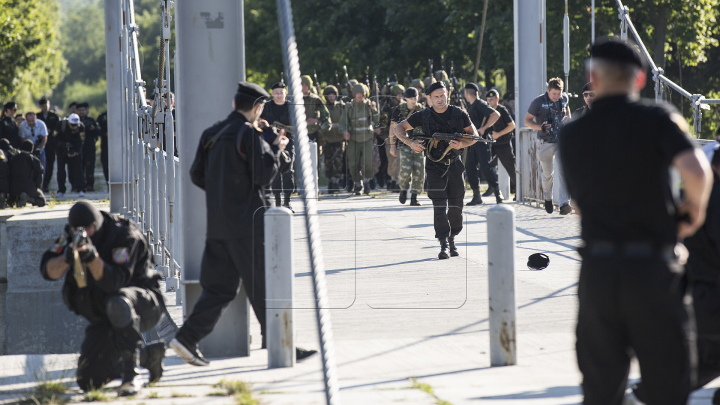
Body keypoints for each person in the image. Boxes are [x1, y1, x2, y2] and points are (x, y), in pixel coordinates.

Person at [559, 37, 713, 405]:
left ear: (592, 78)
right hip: (652, 273)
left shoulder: (571, 133)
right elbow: (696, 171)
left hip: (597, 273)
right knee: (667, 388)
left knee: (601, 390)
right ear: (640, 79)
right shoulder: (657, 118)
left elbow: (579, 204)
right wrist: (692, 214)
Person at [170, 82, 316, 366]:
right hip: (248, 225)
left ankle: (186, 338)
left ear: (235, 105)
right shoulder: (248, 134)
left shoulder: (211, 133)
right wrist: (276, 148)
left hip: (219, 225)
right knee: (264, 286)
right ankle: (283, 346)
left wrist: (225, 192)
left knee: (220, 288)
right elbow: (263, 176)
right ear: (258, 107)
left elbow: (197, 175)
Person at [39, 201, 166, 395]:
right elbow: (47, 271)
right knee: (88, 379)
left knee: (118, 301)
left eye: (88, 229)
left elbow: (114, 282)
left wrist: (92, 257)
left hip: (145, 304)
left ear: (96, 224)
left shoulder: (122, 235)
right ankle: (148, 357)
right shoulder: (71, 235)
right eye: (78, 230)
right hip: (105, 312)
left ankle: (132, 375)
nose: (85, 234)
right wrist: (66, 257)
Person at [392, 82, 478, 259]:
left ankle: (453, 237)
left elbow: (474, 135)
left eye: (442, 95)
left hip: (454, 164)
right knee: (439, 204)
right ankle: (443, 243)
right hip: (433, 165)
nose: (440, 99)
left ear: (447, 95)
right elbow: (397, 128)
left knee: (456, 206)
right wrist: (411, 143)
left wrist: (462, 143)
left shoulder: (459, 113)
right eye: (436, 97)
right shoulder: (422, 115)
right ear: (429, 98)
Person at [524, 77, 572, 215]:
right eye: (554, 94)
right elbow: (527, 121)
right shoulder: (537, 102)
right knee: (548, 174)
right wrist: (540, 127)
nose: (557, 97)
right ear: (547, 90)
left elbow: (567, 109)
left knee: (564, 171)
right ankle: (547, 198)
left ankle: (564, 204)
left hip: (561, 140)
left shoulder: (564, 98)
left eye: (559, 93)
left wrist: (567, 121)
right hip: (544, 142)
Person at [464, 83, 502, 205]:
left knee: (486, 168)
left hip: (481, 142)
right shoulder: (470, 106)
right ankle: (477, 196)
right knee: (470, 168)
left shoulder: (480, 105)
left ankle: (497, 193)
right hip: (471, 142)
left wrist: (484, 128)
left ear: (467, 94)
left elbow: (496, 115)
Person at [339, 83, 381, 195]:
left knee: (368, 161)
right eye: (357, 93)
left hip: (367, 137)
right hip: (353, 138)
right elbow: (342, 123)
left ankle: (367, 181)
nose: (359, 95)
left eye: (361, 93)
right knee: (353, 163)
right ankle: (358, 183)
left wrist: (374, 110)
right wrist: (345, 131)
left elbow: (377, 121)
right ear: (354, 94)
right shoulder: (349, 106)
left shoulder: (369, 105)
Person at [261, 82, 295, 210]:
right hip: (271, 143)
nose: (279, 95)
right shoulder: (266, 107)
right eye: (276, 93)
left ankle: (287, 201)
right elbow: (259, 120)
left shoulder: (291, 106)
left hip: (288, 141)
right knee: (273, 170)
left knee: (288, 170)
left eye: (281, 92)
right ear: (272, 94)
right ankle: (277, 201)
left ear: (285, 93)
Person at [389, 87, 425, 206]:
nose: (413, 101)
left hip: (419, 145)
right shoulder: (398, 110)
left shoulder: (422, 110)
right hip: (405, 145)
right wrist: (392, 145)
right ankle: (403, 189)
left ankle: (414, 197)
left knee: (419, 171)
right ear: (405, 99)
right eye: (411, 99)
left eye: (415, 98)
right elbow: (393, 128)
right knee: (405, 170)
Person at [485, 89, 517, 196]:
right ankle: (492, 186)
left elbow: (512, 126)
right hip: (492, 144)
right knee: (486, 165)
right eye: (488, 99)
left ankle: (517, 190)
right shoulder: (486, 111)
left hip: (504, 144)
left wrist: (499, 134)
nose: (489, 101)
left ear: (497, 99)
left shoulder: (502, 110)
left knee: (511, 168)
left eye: (492, 99)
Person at [320, 85, 346, 193]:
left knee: (338, 161)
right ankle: (330, 181)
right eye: (329, 96)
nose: (331, 97)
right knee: (328, 161)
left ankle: (336, 181)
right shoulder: (323, 107)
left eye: (333, 95)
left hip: (339, 138)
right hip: (327, 139)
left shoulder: (341, 106)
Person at [55, 113, 86, 197]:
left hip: (75, 149)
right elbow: (55, 138)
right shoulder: (61, 125)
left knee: (78, 170)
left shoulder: (81, 127)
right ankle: (61, 190)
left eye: (75, 125)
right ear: (68, 122)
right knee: (61, 171)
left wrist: (76, 151)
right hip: (62, 151)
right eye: (72, 125)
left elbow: (81, 141)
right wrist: (64, 145)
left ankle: (80, 189)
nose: (74, 127)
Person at [382, 85, 405, 191]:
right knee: (392, 160)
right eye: (398, 94)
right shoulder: (387, 106)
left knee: (400, 160)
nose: (400, 96)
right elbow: (383, 123)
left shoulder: (404, 106)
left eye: (401, 94)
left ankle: (397, 181)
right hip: (389, 136)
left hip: (401, 136)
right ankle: (392, 179)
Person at [10, 140, 46, 207]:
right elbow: (40, 170)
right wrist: (37, 185)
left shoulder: (14, 158)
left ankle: (18, 199)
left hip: (14, 187)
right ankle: (29, 199)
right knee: (42, 201)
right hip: (28, 186)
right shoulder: (32, 159)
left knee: (12, 200)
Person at [38, 98, 60, 192]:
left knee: (50, 164)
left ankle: (46, 183)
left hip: (51, 143)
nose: (45, 107)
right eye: (43, 105)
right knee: (40, 164)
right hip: (40, 143)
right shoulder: (37, 116)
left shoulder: (54, 116)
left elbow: (58, 129)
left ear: (49, 104)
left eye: (46, 105)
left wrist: (52, 132)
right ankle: (40, 182)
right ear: (40, 106)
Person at [300, 75, 330, 143]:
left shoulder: (316, 99)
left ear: (309, 86)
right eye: (302, 85)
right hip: (299, 133)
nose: (304, 87)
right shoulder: (294, 99)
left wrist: (316, 120)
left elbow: (326, 115)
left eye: (306, 85)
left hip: (313, 132)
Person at [78, 103, 99, 191]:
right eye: (80, 110)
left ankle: (90, 184)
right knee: (80, 167)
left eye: (83, 110)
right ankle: (80, 185)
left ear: (86, 110)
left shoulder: (91, 120)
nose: (81, 112)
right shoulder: (75, 120)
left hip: (90, 147)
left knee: (90, 167)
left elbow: (98, 132)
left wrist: (93, 129)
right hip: (79, 148)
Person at [97, 111, 109, 184]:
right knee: (105, 164)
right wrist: (104, 134)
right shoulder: (102, 116)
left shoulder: (121, 114)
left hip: (118, 145)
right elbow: (97, 129)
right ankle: (108, 182)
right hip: (105, 144)